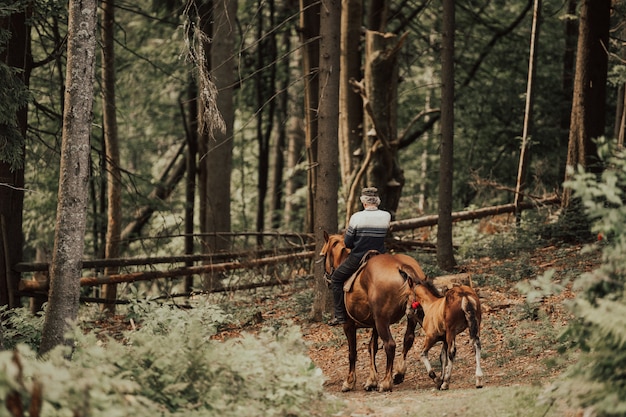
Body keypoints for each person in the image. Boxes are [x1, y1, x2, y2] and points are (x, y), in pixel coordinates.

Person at [328, 187, 391, 326]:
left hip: (359, 257)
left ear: (363, 202)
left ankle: (339, 315)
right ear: (377, 202)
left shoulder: (356, 217)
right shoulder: (386, 215)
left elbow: (348, 243)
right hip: (380, 257)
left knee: (336, 279)